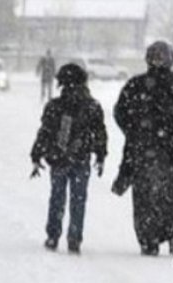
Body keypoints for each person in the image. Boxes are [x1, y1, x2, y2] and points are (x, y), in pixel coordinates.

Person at [113, 41, 173, 256]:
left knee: (144, 198)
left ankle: (149, 239)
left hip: (143, 152)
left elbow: (120, 113)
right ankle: (172, 230)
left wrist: (135, 130)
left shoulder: (135, 85)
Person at [30, 63, 107, 254]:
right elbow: (100, 132)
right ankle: (74, 237)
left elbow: (45, 132)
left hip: (58, 158)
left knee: (57, 197)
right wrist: (100, 154)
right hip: (81, 159)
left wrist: (37, 154)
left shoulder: (55, 106)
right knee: (78, 200)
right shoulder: (92, 106)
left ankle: (53, 235)